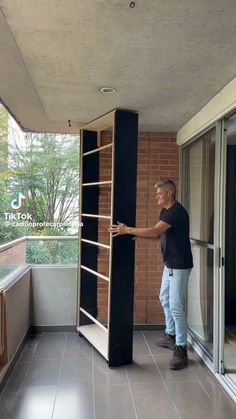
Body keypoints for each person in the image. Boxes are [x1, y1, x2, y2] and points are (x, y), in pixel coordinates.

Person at [108, 179, 193, 370]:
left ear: (169, 194)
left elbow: (155, 231)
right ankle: (171, 335)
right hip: (170, 264)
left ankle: (181, 348)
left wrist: (127, 229)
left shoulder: (176, 212)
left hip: (180, 266)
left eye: (159, 193)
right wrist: (137, 237)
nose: (156, 196)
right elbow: (160, 237)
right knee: (164, 298)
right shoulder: (165, 212)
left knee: (177, 307)